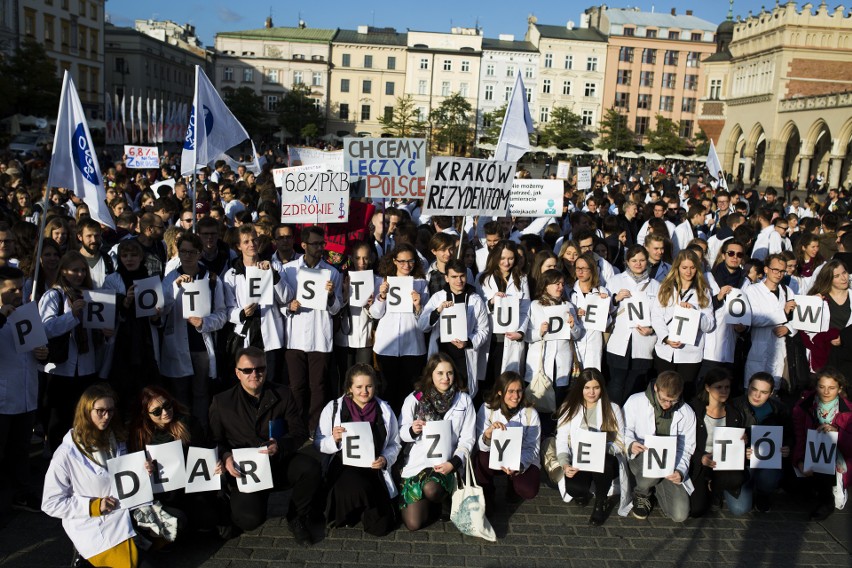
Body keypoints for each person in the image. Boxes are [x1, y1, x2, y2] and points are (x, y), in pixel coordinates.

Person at [209, 347, 321, 543]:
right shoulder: (222, 402)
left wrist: (281, 444)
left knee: (310, 467)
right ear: (237, 373)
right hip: (245, 471)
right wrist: (225, 456)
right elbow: (213, 439)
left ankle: (297, 516)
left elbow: (299, 431)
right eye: (248, 370)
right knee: (249, 521)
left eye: (260, 369)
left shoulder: (283, 394)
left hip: (277, 462)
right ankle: (230, 499)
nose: (255, 374)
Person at [42, 384, 141, 567]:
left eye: (110, 411)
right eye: (100, 411)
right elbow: (50, 503)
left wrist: (143, 471)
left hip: (123, 513)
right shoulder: (66, 454)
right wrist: (93, 506)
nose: (106, 416)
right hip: (95, 522)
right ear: (86, 411)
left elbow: (124, 473)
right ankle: (82, 556)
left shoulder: (117, 438)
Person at [315, 364, 400, 535]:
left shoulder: (385, 410)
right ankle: (350, 509)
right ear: (349, 388)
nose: (364, 391)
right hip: (345, 467)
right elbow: (319, 443)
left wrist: (385, 459)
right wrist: (334, 440)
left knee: (381, 528)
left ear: (375, 387)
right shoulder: (333, 409)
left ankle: (364, 509)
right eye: (359, 387)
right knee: (356, 487)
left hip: (374, 468)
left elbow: (395, 444)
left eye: (369, 386)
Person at [128, 385, 223, 533]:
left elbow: (204, 453)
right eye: (157, 411)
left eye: (167, 405)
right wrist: (142, 467)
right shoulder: (139, 435)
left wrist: (214, 465)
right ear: (146, 414)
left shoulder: (188, 423)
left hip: (191, 492)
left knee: (214, 521)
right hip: (162, 497)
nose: (165, 412)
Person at [397, 353, 476, 531]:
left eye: (449, 373)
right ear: (430, 374)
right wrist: (412, 430)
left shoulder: (464, 400)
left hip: (447, 462)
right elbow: (401, 432)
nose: (445, 378)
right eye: (440, 373)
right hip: (418, 462)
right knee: (413, 524)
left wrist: (454, 463)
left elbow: (468, 438)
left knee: (432, 490)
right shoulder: (415, 399)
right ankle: (433, 502)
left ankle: (442, 496)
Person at [160, 233, 228, 431]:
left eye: (192, 252)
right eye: (183, 251)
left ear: (200, 253)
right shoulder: (170, 278)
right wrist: (175, 287)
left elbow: (222, 314)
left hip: (200, 346)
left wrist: (204, 323)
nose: (187, 256)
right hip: (177, 346)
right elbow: (161, 310)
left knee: (201, 393)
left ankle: (201, 432)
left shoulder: (211, 279)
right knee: (179, 395)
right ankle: (182, 434)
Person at [39, 251, 106, 452]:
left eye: (83, 270)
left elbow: (98, 329)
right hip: (61, 368)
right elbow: (46, 328)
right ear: (64, 272)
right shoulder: (55, 295)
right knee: (60, 419)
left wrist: (106, 333)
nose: (79, 274)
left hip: (87, 367)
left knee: (83, 416)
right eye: (74, 270)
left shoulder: (91, 294)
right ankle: (55, 457)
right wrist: (72, 316)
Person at [283, 226, 343, 433]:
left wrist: (331, 295)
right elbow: (280, 301)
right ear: (304, 245)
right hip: (295, 337)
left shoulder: (332, 272)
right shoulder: (289, 270)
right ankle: (297, 427)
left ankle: (314, 427)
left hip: (320, 336)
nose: (320, 248)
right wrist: (288, 307)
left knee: (318, 387)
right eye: (316, 244)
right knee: (296, 386)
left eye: (322, 243)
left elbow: (336, 309)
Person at [0, 266, 47, 513]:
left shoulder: (28, 312)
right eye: (12, 289)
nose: (19, 293)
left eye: (21, 287)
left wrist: (42, 353)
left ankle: (21, 493)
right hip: (3, 399)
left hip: (26, 395)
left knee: (20, 450)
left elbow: (37, 349)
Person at [555, 369, 630, 525]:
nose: (591, 392)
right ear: (580, 388)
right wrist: (565, 463)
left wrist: (601, 447)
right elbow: (561, 440)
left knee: (606, 464)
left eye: (596, 387)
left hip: (604, 458)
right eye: (587, 388)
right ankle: (583, 491)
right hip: (579, 459)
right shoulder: (568, 408)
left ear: (602, 387)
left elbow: (621, 442)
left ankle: (600, 503)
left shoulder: (613, 408)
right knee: (574, 489)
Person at [623, 371, 696, 522]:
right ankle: (642, 493)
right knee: (651, 470)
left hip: (669, 466)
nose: (667, 404)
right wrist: (630, 444)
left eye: (673, 401)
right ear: (655, 388)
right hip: (641, 460)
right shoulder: (635, 401)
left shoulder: (687, 413)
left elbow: (687, 447)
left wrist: (680, 470)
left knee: (680, 515)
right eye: (664, 399)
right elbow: (623, 429)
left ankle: (655, 488)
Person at [224, 224, 291, 385]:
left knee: (271, 380)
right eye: (246, 242)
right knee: (248, 381)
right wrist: (241, 313)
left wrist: (273, 275)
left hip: (270, 333)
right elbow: (227, 308)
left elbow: (286, 297)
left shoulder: (274, 266)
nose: (251, 244)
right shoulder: (231, 274)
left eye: (254, 240)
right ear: (238, 246)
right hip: (247, 333)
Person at [102, 239, 162, 408]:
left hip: (145, 341)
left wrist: (156, 317)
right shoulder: (112, 279)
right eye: (125, 255)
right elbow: (107, 308)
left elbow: (158, 315)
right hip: (122, 341)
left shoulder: (151, 280)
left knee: (147, 389)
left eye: (134, 255)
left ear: (141, 257)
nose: (129, 259)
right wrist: (125, 302)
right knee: (122, 388)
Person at [418, 259, 490, 399]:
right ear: (446, 277)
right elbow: (422, 325)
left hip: (464, 356)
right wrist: (438, 311)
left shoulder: (476, 300)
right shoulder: (437, 298)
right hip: (441, 353)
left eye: (462, 276)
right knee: (438, 393)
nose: (459, 280)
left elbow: (484, 330)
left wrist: (468, 342)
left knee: (463, 395)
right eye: (454, 277)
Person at [651, 250, 716, 402]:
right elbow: (656, 316)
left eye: (692, 267)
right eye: (684, 267)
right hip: (665, 352)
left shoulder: (703, 292)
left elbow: (709, 325)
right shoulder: (665, 288)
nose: (688, 271)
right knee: (663, 392)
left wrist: (695, 313)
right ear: (677, 267)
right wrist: (666, 338)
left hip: (690, 354)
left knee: (684, 394)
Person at [371, 244, 429, 410]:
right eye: (402, 261)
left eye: (410, 261)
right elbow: (375, 314)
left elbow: (425, 321)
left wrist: (418, 306)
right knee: (387, 389)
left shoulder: (421, 284)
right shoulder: (382, 281)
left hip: (413, 346)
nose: (406, 265)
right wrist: (381, 296)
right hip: (387, 345)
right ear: (394, 261)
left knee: (408, 390)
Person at [474, 371, 541, 514]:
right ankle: (487, 493)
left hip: (521, 458)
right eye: (510, 391)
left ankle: (514, 487)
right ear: (499, 392)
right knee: (481, 459)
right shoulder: (487, 409)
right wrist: (487, 435)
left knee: (527, 490)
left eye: (519, 391)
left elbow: (533, 447)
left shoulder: (531, 413)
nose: (516, 396)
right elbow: (480, 446)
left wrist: (518, 465)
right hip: (495, 456)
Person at [792, 368, 852, 521]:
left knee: (826, 463)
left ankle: (827, 500)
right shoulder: (803, 406)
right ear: (816, 386)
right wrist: (799, 460)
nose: (826, 392)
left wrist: (837, 433)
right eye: (822, 387)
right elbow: (799, 436)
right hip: (809, 450)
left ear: (840, 388)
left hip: (839, 454)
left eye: (831, 388)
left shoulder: (848, 411)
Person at [687, 368, 748, 517]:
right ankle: (706, 486)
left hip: (724, 462)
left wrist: (743, 441)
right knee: (696, 510)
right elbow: (684, 442)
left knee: (737, 479)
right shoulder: (693, 409)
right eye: (718, 387)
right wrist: (700, 457)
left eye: (727, 387)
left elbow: (735, 445)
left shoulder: (734, 413)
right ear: (707, 387)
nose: (724, 391)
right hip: (699, 460)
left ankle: (716, 489)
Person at [476, 241, 530, 404]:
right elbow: (477, 307)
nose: (507, 263)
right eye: (503, 258)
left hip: (511, 337)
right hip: (490, 338)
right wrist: (491, 302)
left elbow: (525, 309)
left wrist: (520, 331)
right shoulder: (483, 278)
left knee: (507, 384)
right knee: (488, 381)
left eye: (511, 258)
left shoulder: (521, 278)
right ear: (495, 257)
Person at [732, 372, 793, 512]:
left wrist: (787, 447)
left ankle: (763, 493)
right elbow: (725, 437)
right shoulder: (734, 405)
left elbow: (789, 433)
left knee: (769, 478)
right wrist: (741, 450)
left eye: (763, 392)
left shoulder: (780, 409)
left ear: (771, 393)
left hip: (767, 461)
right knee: (739, 509)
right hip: (741, 463)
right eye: (754, 389)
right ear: (748, 386)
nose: (757, 395)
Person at [606, 245, 660, 405]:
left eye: (642, 260)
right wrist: (614, 299)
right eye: (634, 260)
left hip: (643, 343)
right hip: (619, 341)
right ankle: (612, 419)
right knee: (615, 385)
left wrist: (652, 329)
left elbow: (661, 315)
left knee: (635, 387)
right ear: (627, 262)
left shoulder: (655, 285)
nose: (638, 263)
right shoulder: (615, 281)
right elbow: (603, 311)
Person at [744, 253, 797, 391]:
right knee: (755, 388)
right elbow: (754, 319)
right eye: (775, 270)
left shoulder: (787, 291)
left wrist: (788, 328)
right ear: (766, 269)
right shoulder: (752, 290)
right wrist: (783, 314)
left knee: (774, 391)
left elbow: (797, 318)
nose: (779, 274)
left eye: (782, 271)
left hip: (780, 349)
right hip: (758, 347)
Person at [569, 252, 610, 372]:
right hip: (574, 341)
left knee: (592, 377)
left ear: (592, 270)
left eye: (584, 269)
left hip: (593, 342)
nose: (580, 272)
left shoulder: (602, 291)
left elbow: (607, 323)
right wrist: (575, 314)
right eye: (578, 268)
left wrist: (604, 307)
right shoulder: (569, 291)